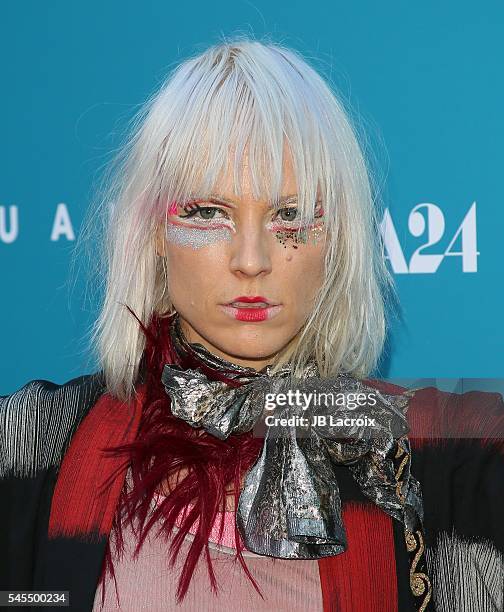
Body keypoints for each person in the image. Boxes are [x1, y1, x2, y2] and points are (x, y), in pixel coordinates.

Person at [1, 38, 503, 612]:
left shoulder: (441, 457)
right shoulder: (35, 447)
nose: (250, 259)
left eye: (289, 215)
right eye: (208, 212)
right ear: (154, 237)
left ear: (336, 241)